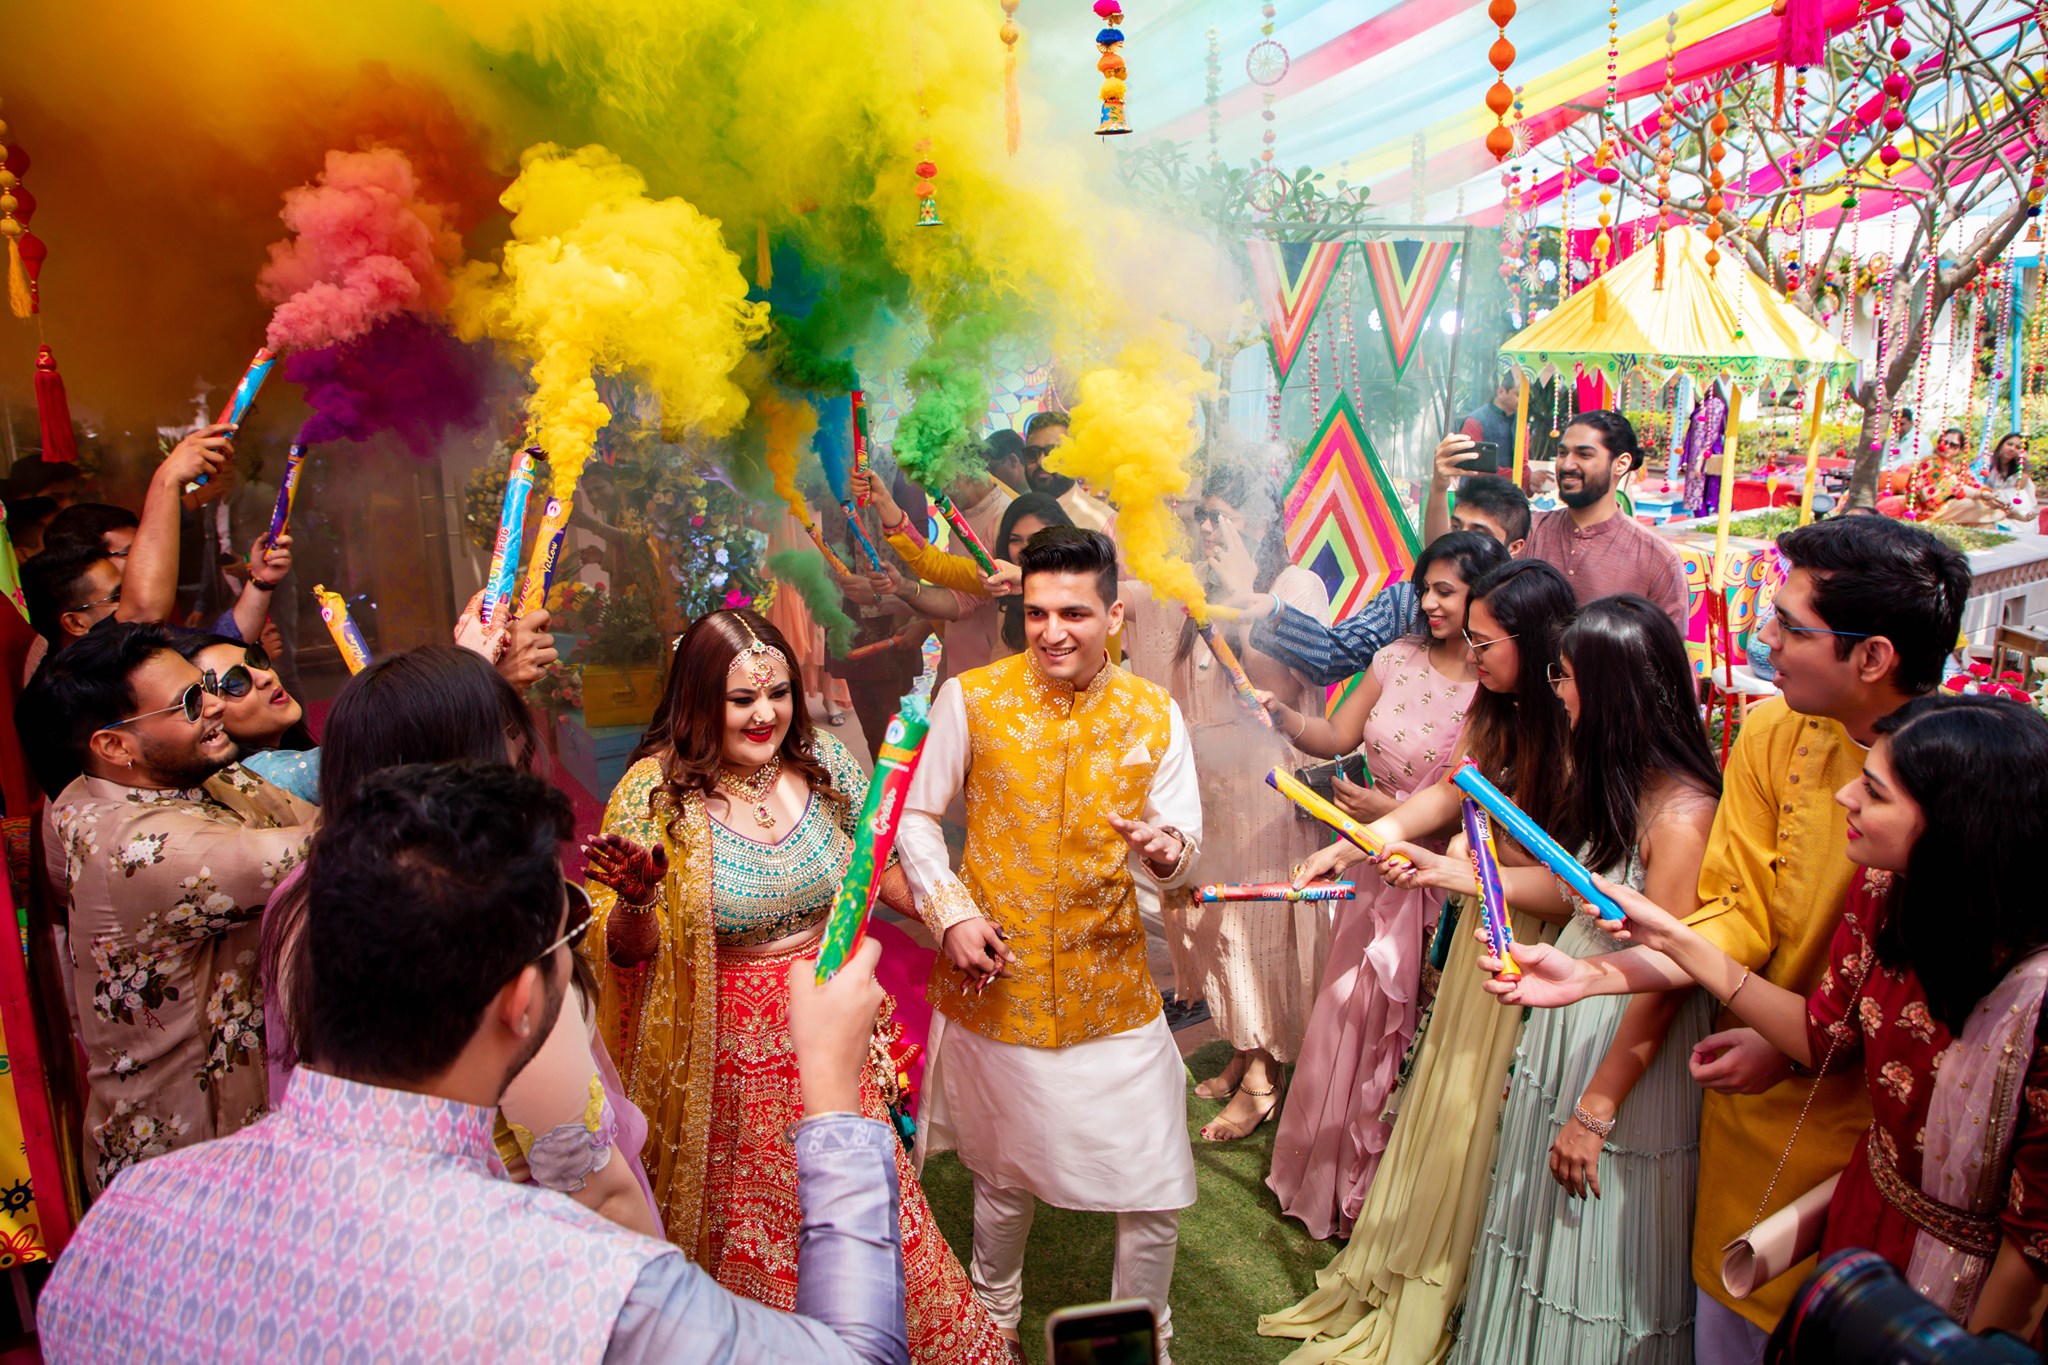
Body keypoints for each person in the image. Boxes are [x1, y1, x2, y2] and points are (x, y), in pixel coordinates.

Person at [37, 762, 916, 1364]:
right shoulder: (592, 1286)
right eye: (565, 939)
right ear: (522, 1003)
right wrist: (836, 1100)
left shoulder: (126, 1218)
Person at [1479, 515, 1969, 1362]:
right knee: (1724, 1321)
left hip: (1867, 1126)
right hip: (1742, 1091)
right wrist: (1597, 978)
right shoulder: (1776, 730)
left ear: (1874, 657)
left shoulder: (1962, 778)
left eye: (1790, 625)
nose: (1761, 635)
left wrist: (1789, 1046)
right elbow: (1734, 910)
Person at [1514, 694, 2048, 1339]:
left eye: (1875, 793)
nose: (1847, 797)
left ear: (1957, 826)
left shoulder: (2035, 993)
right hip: (1865, 1226)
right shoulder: (1885, 891)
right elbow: (1823, 1034)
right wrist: (1667, 939)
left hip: (1982, 1294)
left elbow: (2033, 1240)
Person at [581, 609, 1008, 1361]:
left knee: (868, 1208)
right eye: (741, 698)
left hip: (834, 1035)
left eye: (776, 692)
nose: (765, 713)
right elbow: (624, 952)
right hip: (729, 1064)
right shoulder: (656, 795)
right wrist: (642, 905)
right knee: (758, 1229)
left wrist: (951, 917)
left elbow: (879, 863)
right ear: (698, 699)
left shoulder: (821, 766)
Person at [1260, 559, 1576, 1363]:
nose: (1471, 654)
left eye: (1485, 640)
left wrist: (1450, 871)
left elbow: (1577, 883)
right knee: (1446, 1099)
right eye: (1468, 639)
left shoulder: (1577, 729)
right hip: (1484, 927)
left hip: (1543, 953)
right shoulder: (1498, 717)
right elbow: (1443, 799)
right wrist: (1350, 844)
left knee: (1490, 1114)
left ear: (1536, 646)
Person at [898, 527, 1202, 1356]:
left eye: (1074, 611)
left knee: (1154, 1186)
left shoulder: (1153, 711)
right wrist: (952, 912)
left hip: (1116, 992)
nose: (1052, 631)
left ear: (1115, 615)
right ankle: (991, 1320)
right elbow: (918, 818)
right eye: (1036, 613)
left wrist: (1169, 853)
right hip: (1003, 981)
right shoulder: (974, 697)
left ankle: (1142, 1338)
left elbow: (1182, 844)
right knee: (1002, 1179)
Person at [1397, 596, 1720, 1364]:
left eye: (1566, 675)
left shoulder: (1681, 815)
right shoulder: (1623, 780)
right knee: (1535, 1230)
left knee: (1591, 1252)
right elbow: (1575, 889)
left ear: (1612, 690)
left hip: (1624, 1049)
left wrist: (1598, 1110)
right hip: (1574, 1020)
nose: (1556, 689)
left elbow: (1668, 978)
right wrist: (1452, 868)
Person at [258, 644, 661, 1237]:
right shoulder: (485, 913)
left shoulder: (300, 895)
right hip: (520, 1243)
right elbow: (588, 1184)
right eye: (500, 731)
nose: (521, 746)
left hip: (370, 1229)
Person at [1259, 531, 1508, 1238]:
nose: (1427, 602)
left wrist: (1376, 824)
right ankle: (1328, 1178)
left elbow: (1463, 796)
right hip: (1375, 864)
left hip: (1443, 875)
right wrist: (1285, 719)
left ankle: (1388, 1200)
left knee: (1410, 1037)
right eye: (1423, 587)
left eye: (1445, 591)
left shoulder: (1494, 691)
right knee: (1346, 1015)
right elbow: (1336, 735)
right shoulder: (1393, 658)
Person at [15, 622, 313, 1190]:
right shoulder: (137, 849)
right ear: (114, 745)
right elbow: (330, 846)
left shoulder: (187, 778)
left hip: (251, 1134)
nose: (214, 708)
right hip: (183, 1168)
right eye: (189, 702)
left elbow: (323, 818)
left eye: (204, 686)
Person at [1126, 464, 1334, 1144]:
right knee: (1215, 928)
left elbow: (1277, 688)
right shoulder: (1193, 591)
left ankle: (1261, 1079)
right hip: (1213, 785)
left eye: (1223, 513)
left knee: (1255, 929)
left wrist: (1244, 596)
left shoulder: (1293, 585)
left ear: (1263, 519)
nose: (1209, 527)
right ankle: (1245, 1048)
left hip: (1268, 786)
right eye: (1203, 515)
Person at [1242, 473, 1529, 687]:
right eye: (1455, 527)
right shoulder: (1406, 602)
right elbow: (1334, 656)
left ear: (1514, 548)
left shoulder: (1523, 619)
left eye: (1479, 533)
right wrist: (1277, 612)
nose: (1462, 541)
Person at [1515, 410, 1688, 624]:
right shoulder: (1529, 531)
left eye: (1584, 454)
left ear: (1621, 463)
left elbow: (1664, 651)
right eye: (1562, 453)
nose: (1567, 464)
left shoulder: (1658, 559)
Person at [170, 634, 318, 803]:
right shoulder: (257, 774)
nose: (266, 677)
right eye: (235, 682)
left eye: (256, 659)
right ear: (210, 713)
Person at [1021, 410, 1114, 532]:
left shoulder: (1102, 522)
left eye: (1053, 452)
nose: (1041, 461)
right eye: (1032, 453)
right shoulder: (1014, 517)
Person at [1985, 431, 2036, 521]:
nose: (2012, 449)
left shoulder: (2017, 467)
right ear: (2001, 445)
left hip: (2010, 505)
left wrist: (2025, 463)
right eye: (2009, 444)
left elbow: (2020, 488)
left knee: (2021, 493)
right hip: (1987, 501)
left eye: (2018, 447)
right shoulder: (1986, 462)